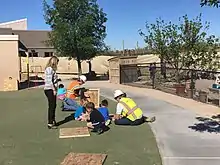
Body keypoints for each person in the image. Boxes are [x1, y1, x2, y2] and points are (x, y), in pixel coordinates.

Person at [44, 56, 59, 129]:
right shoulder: (49, 69)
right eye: (57, 62)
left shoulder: (52, 70)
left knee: (53, 105)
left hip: (51, 89)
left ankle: (53, 120)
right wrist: (54, 90)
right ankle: (50, 122)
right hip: (49, 89)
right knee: (52, 106)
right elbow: (49, 81)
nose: (57, 64)